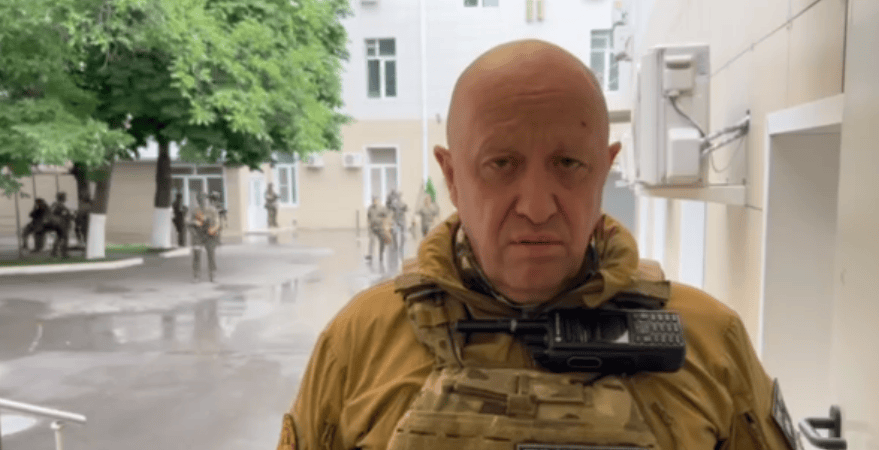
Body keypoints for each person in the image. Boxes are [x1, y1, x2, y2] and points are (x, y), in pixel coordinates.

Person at [276, 40, 798, 450]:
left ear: (605, 169)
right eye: (501, 164)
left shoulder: (709, 344)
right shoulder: (360, 343)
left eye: (568, 163)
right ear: (452, 177)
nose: (537, 205)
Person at [187, 192, 221, 282]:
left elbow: (217, 223)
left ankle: (213, 275)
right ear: (198, 201)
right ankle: (196, 276)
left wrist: (213, 229)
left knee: (211, 254)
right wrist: (194, 224)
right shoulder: (195, 211)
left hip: (210, 236)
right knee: (196, 255)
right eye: (201, 200)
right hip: (198, 236)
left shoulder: (212, 210)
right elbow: (188, 223)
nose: (203, 201)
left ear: (207, 200)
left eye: (205, 199)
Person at [365, 196, 393, 267]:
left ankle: (381, 255)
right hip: (372, 228)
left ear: (377, 201)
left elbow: (387, 214)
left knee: (381, 242)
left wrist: (384, 221)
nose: (374, 202)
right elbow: (368, 217)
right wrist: (369, 226)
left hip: (380, 228)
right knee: (371, 240)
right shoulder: (370, 209)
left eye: (375, 200)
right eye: (373, 200)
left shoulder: (381, 208)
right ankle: (370, 255)